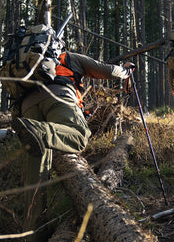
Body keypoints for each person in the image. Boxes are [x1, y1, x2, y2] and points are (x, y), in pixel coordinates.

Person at [9, 37, 135, 239]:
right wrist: (125, 71)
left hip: (27, 106)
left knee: (37, 170)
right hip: (58, 96)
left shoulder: (25, 63)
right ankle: (39, 130)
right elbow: (107, 71)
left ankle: (33, 231)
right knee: (78, 135)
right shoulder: (66, 57)